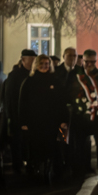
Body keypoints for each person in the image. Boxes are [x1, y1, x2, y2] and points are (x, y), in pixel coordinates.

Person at [18, 54, 68, 186]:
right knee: (36, 149)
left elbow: (61, 102)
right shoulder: (29, 82)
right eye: (42, 64)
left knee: (53, 148)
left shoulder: (55, 81)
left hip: (52, 122)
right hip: (35, 122)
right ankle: (36, 174)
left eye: (47, 64)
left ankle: (50, 172)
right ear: (36, 65)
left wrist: (63, 120)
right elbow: (22, 103)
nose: (45, 66)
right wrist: (23, 122)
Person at [66, 50, 98, 182]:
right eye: (87, 62)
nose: (90, 64)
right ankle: (79, 172)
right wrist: (79, 106)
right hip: (80, 118)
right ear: (82, 60)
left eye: (93, 62)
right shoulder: (74, 75)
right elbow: (68, 94)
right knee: (79, 146)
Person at [4, 49, 37, 175]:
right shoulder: (15, 76)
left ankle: (30, 165)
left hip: (31, 116)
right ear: (23, 60)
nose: (33, 63)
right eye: (31, 60)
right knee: (17, 143)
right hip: (17, 116)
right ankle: (18, 168)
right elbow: (10, 99)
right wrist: (12, 117)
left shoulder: (33, 74)